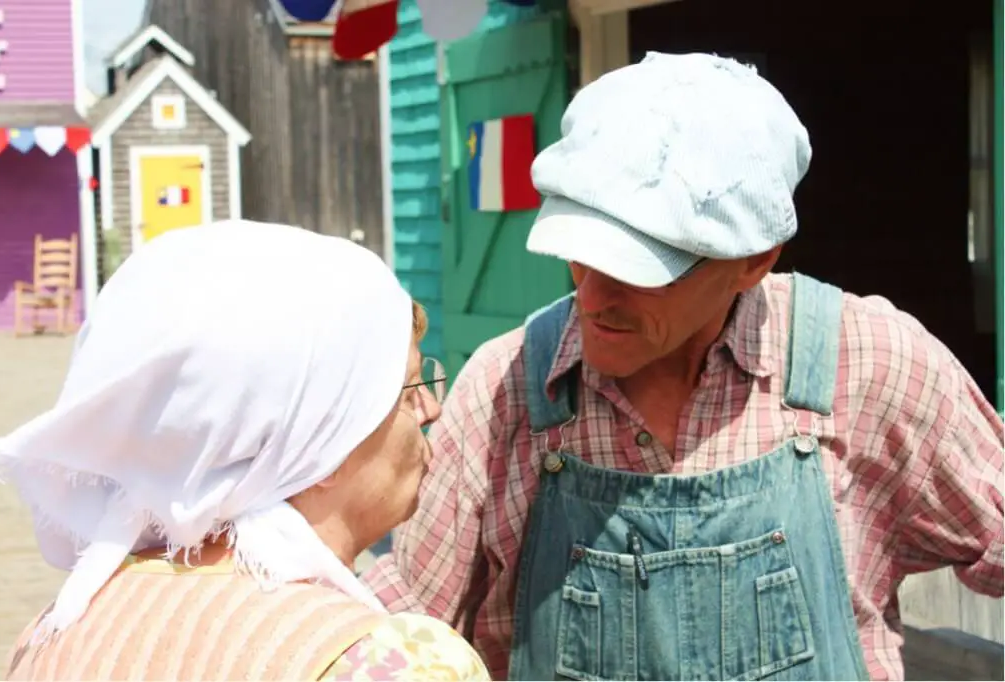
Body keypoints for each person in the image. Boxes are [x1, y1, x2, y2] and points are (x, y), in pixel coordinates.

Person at [364, 52, 1005, 681]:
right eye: (582, 255)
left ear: (755, 261)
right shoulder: (504, 394)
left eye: (636, 272)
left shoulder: (868, 366)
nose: (589, 298)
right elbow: (393, 641)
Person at [0, 220, 490, 681]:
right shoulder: (397, 664)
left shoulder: (53, 634)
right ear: (321, 445)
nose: (429, 411)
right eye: (407, 389)